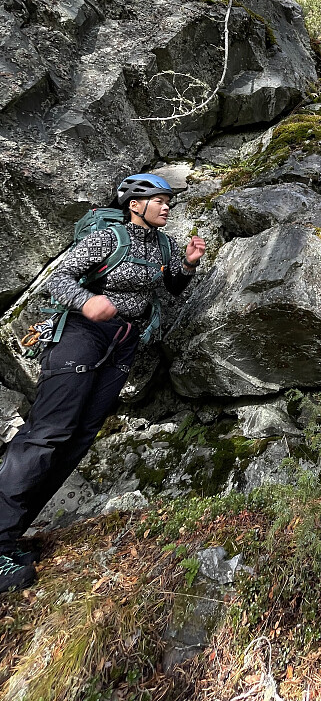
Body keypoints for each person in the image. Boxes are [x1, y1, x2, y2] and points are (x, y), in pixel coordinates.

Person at [0, 173, 206, 593]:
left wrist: (186, 265)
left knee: (78, 439)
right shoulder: (108, 238)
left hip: (122, 344)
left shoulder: (163, 244)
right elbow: (60, 278)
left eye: (169, 201)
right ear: (135, 203)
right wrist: (86, 301)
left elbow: (167, 289)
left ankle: (10, 535)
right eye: (160, 200)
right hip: (80, 335)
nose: (167, 207)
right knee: (48, 434)